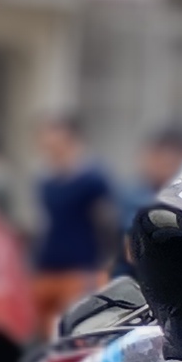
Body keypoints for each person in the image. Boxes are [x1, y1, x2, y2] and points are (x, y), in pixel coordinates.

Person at [30, 114, 121, 339]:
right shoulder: (45, 180)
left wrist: (107, 262)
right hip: (46, 267)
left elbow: (107, 221)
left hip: (79, 268)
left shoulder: (92, 179)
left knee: (67, 332)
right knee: (41, 335)